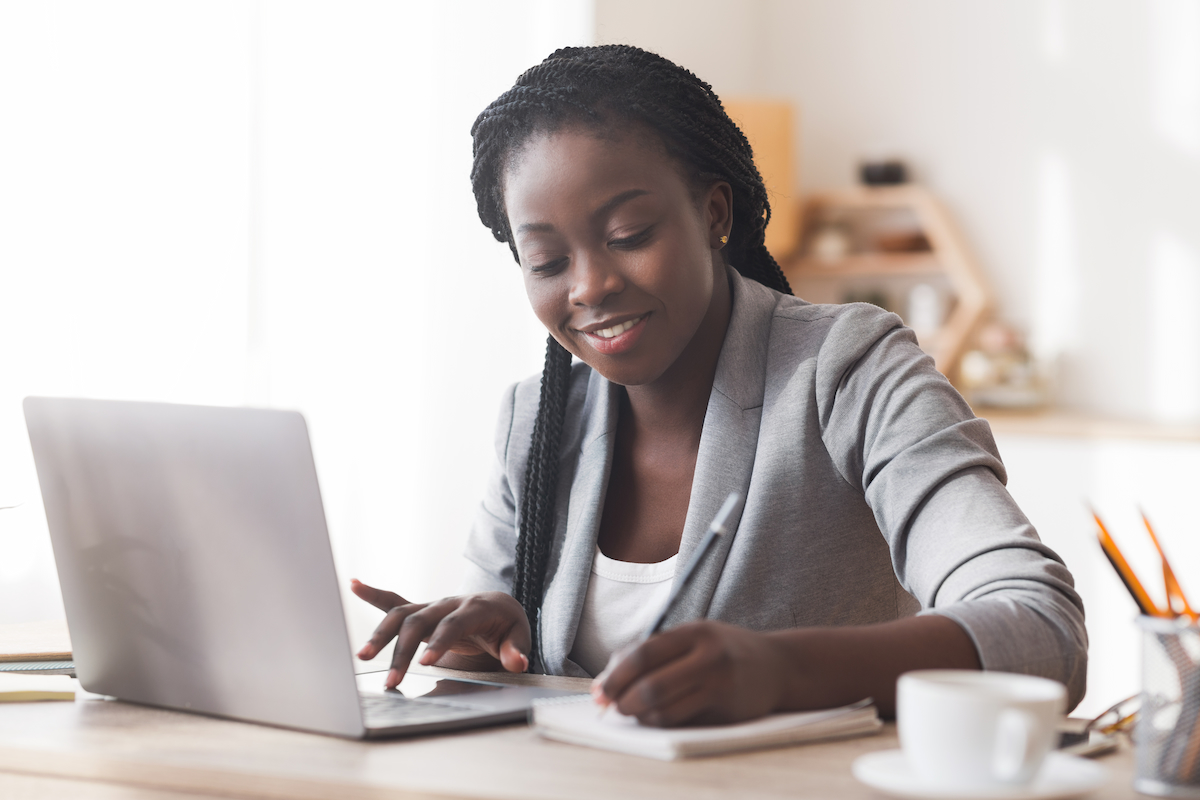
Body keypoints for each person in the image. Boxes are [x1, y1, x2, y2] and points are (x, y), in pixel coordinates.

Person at [352, 44, 1087, 726]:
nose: (590, 287)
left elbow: (1042, 629)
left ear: (713, 214)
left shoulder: (848, 369)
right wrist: (474, 649)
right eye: (545, 262)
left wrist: (784, 671)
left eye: (629, 235)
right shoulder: (537, 420)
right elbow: (496, 688)